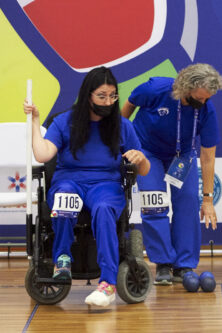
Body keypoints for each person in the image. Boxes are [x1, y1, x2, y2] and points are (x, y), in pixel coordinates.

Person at [23, 67, 150, 307]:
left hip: (106, 184)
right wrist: (36, 121)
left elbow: (144, 170)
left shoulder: (122, 126)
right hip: (69, 180)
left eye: (113, 96)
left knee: (103, 209)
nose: (108, 101)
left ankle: (107, 284)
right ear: (88, 95)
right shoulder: (64, 121)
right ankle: (62, 259)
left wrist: (140, 159)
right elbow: (42, 154)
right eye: (102, 96)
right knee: (64, 198)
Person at [121, 63, 222, 285]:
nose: (203, 103)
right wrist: (121, 138)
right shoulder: (155, 89)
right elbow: (129, 105)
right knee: (154, 200)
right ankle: (163, 263)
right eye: (199, 98)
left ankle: (184, 265)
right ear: (185, 88)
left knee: (188, 202)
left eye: (207, 98)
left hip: (182, 155)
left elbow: (208, 156)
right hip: (147, 151)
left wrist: (208, 199)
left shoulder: (207, 109)